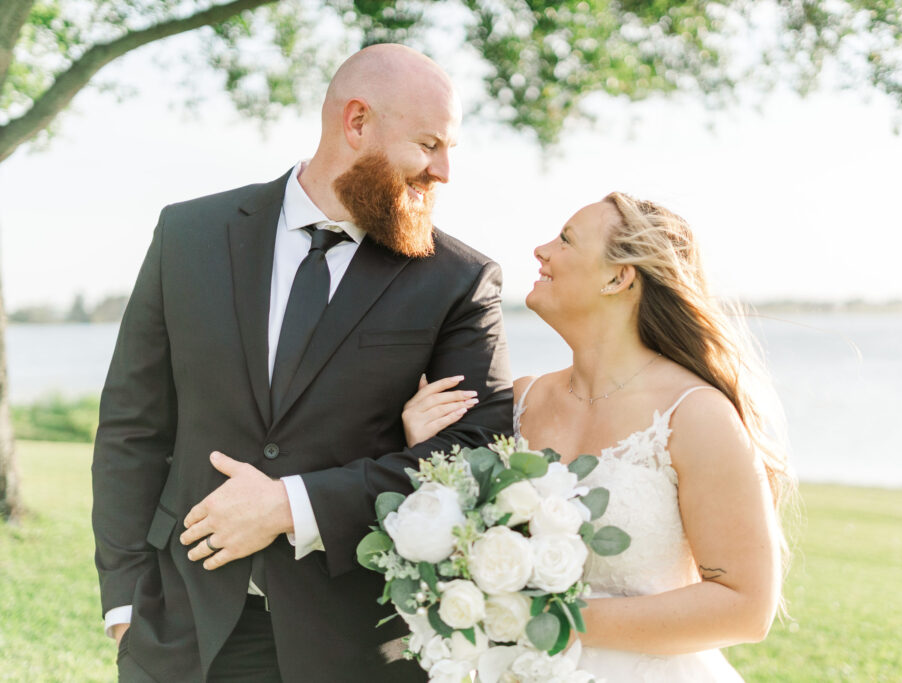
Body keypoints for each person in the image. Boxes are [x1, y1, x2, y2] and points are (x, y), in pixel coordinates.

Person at [91, 44, 513, 683]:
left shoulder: (459, 279)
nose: (444, 171)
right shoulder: (188, 235)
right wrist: (124, 600)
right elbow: (133, 424)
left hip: (360, 642)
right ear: (357, 122)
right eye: (429, 145)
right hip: (180, 630)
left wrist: (295, 504)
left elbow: (480, 452)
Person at [402, 192, 795, 681]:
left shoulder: (695, 415)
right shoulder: (521, 401)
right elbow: (462, 540)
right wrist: (425, 449)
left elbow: (745, 607)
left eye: (565, 239)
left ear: (618, 276)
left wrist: (548, 619)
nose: (541, 250)